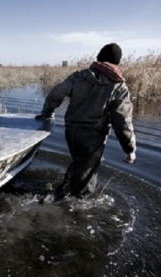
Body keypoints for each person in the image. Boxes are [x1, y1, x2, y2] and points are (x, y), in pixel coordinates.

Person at [36, 43, 136, 201]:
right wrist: (129, 148)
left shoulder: (79, 76)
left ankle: (62, 192)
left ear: (99, 58)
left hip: (71, 132)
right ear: (117, 63)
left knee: (78, 162)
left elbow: (56, 93)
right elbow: (122, 120)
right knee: (86, 181)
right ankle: (74, 208)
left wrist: (47, 112)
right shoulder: (118, 86)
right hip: (93, 136)